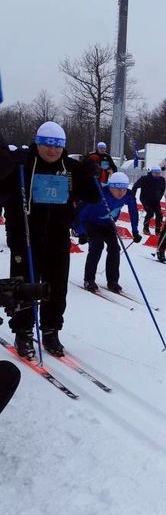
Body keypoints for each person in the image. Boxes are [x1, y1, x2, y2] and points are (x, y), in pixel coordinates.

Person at [0, 121, 101, 359]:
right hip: (25, 236)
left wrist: (88, 174)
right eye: (47, 144)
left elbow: (94, 197)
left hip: (57, 237)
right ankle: (23, 330)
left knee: (56, 287)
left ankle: (50, 329)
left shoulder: (71, 167)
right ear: (38, 143)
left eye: (57, 146)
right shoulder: (23, 163)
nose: (52, 150)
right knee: (24, 284)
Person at [77, 172, 141, 293]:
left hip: (108, 223)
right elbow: (80, 212)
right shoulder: (99, 194)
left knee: (115, 248)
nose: (120, 193)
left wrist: (135, 231)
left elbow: (133, 212)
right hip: (91, 222)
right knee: (97, 246)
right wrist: (81, 232)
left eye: (123, 190)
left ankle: (113, 281)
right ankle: (89, 279)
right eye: (117, 189)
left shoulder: (128, 195)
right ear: (110, 186)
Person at [131, 166, 166, 235]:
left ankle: (158, 229)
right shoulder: (145, 178)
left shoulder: (162, 179)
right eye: (155, 173)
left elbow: (162, 189)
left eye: (158, 173)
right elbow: (135, 186)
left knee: (159, 214)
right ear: (151, 172)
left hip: (156, 199)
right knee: (150, 213)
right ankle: (145, 228)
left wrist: (159, 197)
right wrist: (132, 196)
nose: (157, 174)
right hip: (145, 199)